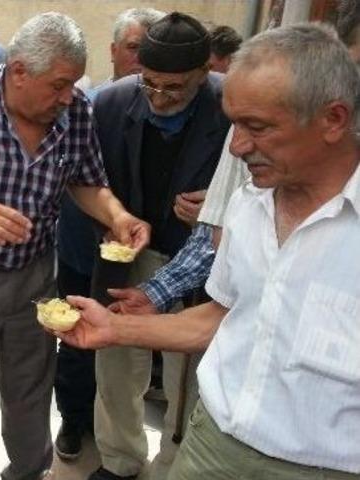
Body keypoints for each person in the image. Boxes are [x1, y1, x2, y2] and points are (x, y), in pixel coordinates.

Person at [58, 23, 360, 480]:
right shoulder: (247, 203)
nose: (236, 147)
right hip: (212, 446)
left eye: (256, 127)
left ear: (333, 119)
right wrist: (115, 328)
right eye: (233, 123)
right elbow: (222, 315)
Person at [0, 12, 150, 480]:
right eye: (58, 85)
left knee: (30, 393)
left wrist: (118, 216)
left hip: (36, 275)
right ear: (19, 71)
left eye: (73, 84)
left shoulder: (73, 110)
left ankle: (27, 472)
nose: (67, 96)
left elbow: (87, 181)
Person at [87, 12, 230, 480]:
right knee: (115, 364)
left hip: (203, 262)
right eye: (150, 84)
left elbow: (254, 185)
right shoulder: (109, 103)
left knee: (187, 375)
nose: (160, 98)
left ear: (203, 74)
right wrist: (111, 219)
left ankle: (174, 463)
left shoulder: (232, 106)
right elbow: (86, 180)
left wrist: (221, 204)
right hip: (126, 256)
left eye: (176, 88)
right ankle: (119, 459)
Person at [52, 6, 165, 462]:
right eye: (137, 48)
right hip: (86, 250)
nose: (144, 62)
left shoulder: (179, 106)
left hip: (151, 253)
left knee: (131, 346)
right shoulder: (90, 105)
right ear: (115, 50)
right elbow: (75, 179)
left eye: (153, 52)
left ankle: (120, 434)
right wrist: (105, 221)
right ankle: (74, 422)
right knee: (76, 340)